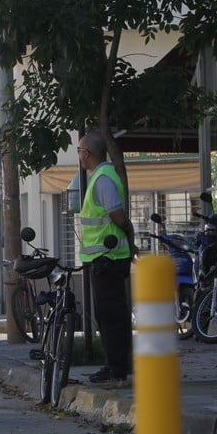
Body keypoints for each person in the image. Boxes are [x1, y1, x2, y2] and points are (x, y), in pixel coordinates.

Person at [77, 131, 137, 384]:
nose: (79, 155)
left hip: (108, 258)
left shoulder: (102, 179)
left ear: (87, 153)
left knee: (110, 315)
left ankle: (116, 369)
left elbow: (117, 215)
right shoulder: (101, 176)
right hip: (105, 257)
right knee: (110, 315)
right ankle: (116, 365)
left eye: (79, 150)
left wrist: (130, 235)